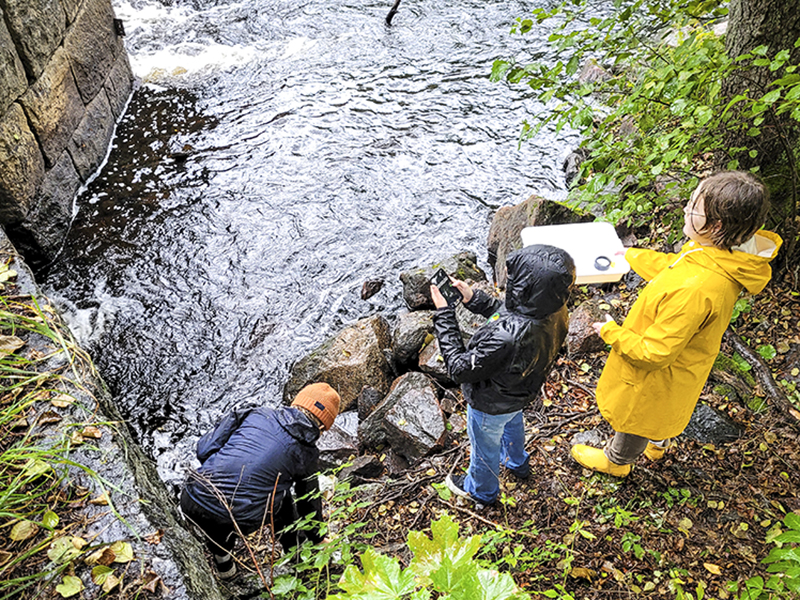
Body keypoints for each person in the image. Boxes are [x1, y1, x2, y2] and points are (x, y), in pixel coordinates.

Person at [571, 171, 782, 477]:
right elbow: (675, 267)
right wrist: (630, 256)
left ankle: (617, 461)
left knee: (638, 416)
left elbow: (655, 353)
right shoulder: (721, 255)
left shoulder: (697, 289)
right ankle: (659, 442)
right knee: (664, 408)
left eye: (694, 206)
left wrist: (611, 333)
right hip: (685, 364)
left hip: (660, 372)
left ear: (717, 225)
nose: (685, 208)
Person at [431, 245, 576, 507]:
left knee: (484, 448)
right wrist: (473, 297)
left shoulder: (505, 338)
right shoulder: (555, 311)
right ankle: (517, 462)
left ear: (525, 287)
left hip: (490, 402)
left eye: (513, 276)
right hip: (520, 390)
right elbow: (513, 314)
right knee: (513, 425)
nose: (507, 277)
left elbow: (458, 368)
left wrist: (444, 315)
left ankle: (481, 492)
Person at [179, 383, 340, 579]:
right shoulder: (306, 454)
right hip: (236, 518)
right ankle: (295, 552)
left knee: (220, 511)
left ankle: (223, 563)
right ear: (322, 427)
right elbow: (308, 502)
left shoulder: (254, 413)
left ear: (294, 403)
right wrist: (318, 537)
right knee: (283, 500)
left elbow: (203, 449)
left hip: (191, 496)